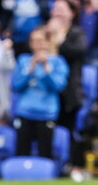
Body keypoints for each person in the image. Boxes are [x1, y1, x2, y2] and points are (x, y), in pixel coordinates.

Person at [45, 0, 90, 181]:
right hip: (47, 91)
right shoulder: (43, 32)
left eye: (63, 10)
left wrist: (59, 39)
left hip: (69, 90)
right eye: (55, 9)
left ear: (72, 13)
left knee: (69, 129)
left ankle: (72, 165)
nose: (58, 14)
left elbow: (76, 52)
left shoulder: (76, 33)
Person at [11, 25, 68, 159]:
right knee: (22, 152)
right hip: (25, 111)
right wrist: (30, 69)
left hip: (46, 112)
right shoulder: (23, 60)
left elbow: (58, 86)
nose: (38, 45)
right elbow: (16, 85)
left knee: (45, 153)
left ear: (48, 42)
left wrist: (47, 69)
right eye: (34, 41)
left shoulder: (58, 62)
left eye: (41, 41)